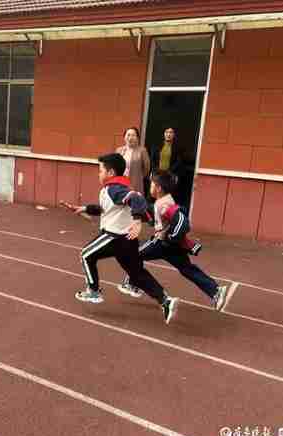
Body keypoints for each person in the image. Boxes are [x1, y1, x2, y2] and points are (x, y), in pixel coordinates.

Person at [64, 153, 178, 324]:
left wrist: (138, 221)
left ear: (110, 172)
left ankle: (93, 290)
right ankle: (165, 301)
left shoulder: (114, 188)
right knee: (137, 274)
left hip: (115, 237)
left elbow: (136, 198)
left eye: (100, 170)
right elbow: (105, 209)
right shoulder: (112, 188)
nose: (98, 174)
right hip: (127, 240)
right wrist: (84, 208)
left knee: (86, 255)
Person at [118, 171, 228, 311]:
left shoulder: (164, 205)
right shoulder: (162, 201)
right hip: (171, 246)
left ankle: (132, 283)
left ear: (158, 188)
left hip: (161, 243)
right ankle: (215, 291)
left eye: (152, 184)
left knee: (132, 254)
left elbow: (182, 220)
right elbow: (155, 216)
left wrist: (171, 236)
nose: (150, 186)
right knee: (187, 268)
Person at [115, 127, 151, 195]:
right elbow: (115, 167)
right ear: (124, 137)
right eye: (128, 135)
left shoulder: (142, 151)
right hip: (121, 183)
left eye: (133, 135)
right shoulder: (119, 150)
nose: (130, 137)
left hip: (135, 183)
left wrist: (138, 176)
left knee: (133, 201)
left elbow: (147, 168)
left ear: (137, 138)